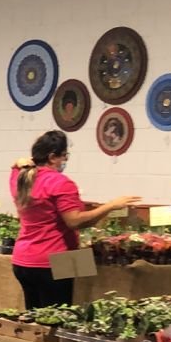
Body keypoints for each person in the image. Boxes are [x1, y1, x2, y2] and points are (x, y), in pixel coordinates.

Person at [9, 130, 140, 309]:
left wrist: (21, 161)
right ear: (52, 157)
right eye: (64, 156)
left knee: (33, 318)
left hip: (22, 259)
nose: (65, 160)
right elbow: (75, 222)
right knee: (57, 317)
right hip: (54, 261)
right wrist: (110, 206)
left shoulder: (20, 178)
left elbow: (16, 165)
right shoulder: (60, 182)